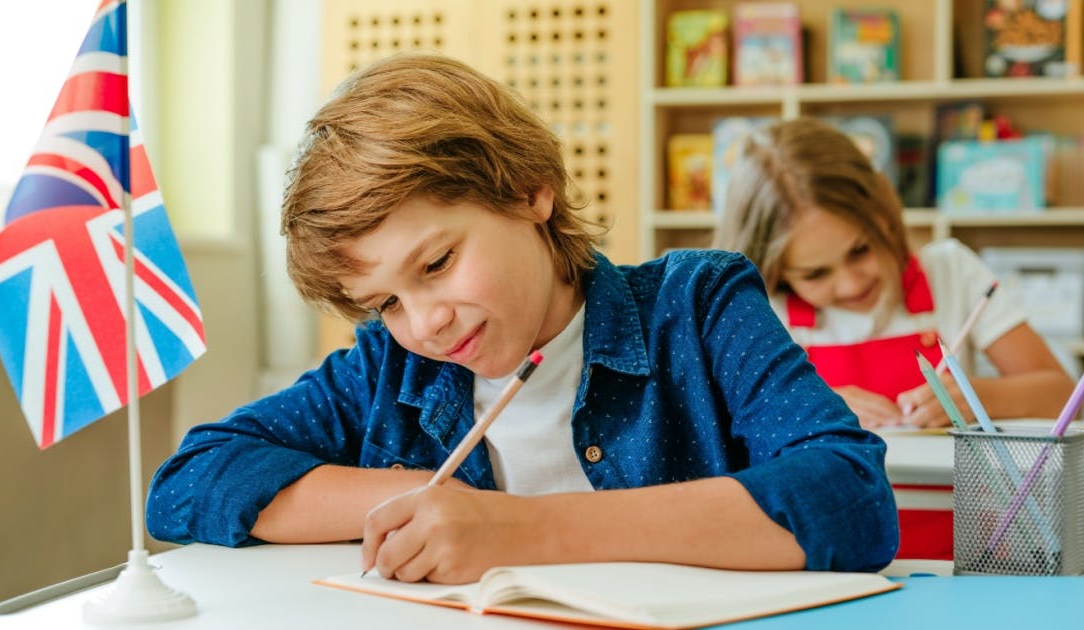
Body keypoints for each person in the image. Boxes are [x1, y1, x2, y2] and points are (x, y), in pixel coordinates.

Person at [146, 54, 898, 584]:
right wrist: (423, 503)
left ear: (529, 192)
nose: (425, 324)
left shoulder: (695, 306)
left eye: (436, 264)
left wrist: (522, 529)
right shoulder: (392, 365)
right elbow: (187, 482)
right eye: (387, 303)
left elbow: (850, 498)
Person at [712, 117, 1074, 560]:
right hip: (821, 559)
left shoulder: (949, 273)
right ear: (773, 268)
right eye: (815, 274)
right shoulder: (763, 312)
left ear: (884, 212)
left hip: (967, 553)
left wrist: (977, 399)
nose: (848, 284)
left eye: (860, 249)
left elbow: (1062, 394)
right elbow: (723, 448)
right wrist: (809, 411)